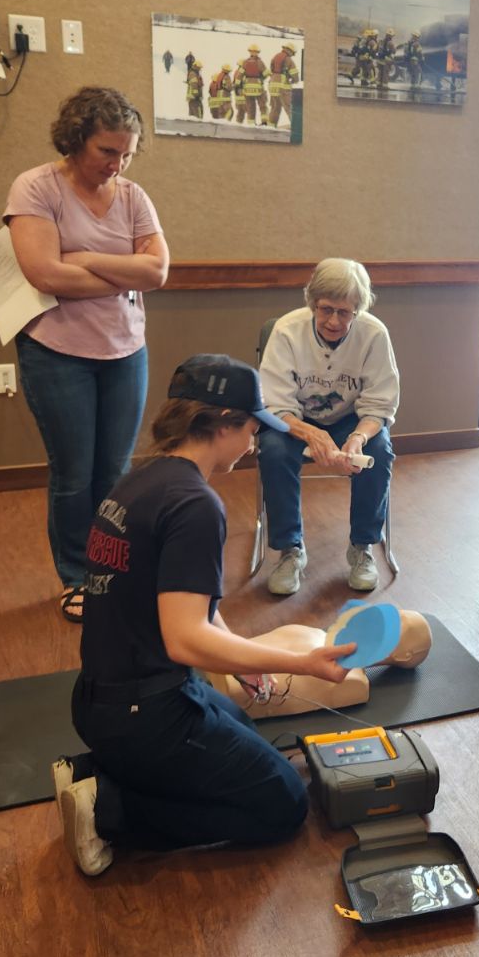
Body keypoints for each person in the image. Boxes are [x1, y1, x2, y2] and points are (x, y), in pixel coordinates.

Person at [52, 354, 356, 877]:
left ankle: (98, 773)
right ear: (221, 425)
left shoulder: (140, 480)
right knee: (284, 805)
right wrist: (304, 664)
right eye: (251, 428)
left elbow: (190, 606)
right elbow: (185, 640)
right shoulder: (195, 504)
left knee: (245, 735)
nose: (255, 442)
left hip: (102, 702)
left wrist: (240, 660)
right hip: (146, 717)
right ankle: (110, 810)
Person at [5, 86, 170, 622]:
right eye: (107, 151)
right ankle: (76, 576)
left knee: (115, 473)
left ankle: (110, 567)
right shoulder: (35, 188)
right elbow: (44, 274)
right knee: (74, 474)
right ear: (76, 140)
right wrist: (123, 270)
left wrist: (85, 258)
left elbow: (158, 273)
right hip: (57, 353)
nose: (117, 164)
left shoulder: (133, 197)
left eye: (127, 153)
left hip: (125, 350)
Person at [257, 258, 400, 596]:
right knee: (274, 450)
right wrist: (309, 432)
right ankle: (290, 550)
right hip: (294, 419)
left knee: (379, 452)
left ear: (358, 311)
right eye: (326, 309)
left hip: (352, 419)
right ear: (312, 304)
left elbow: (380, 403)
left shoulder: (374, 334)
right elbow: (273, 402)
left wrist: (357, 437)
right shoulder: (287, 330)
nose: (334, 321)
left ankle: (362, 547)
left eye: (345, 312)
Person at [268, 41, 298, 128]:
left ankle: (271, 127)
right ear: (290, 51)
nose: (293, 54)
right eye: (293, 53)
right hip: (283, 87)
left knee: (275, 108)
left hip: (272, 85)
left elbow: (272, 70)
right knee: (289, 107)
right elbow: (295, 76)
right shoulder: (289, 60)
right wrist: (294, 80)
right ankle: (296, 126)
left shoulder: (275, 57)